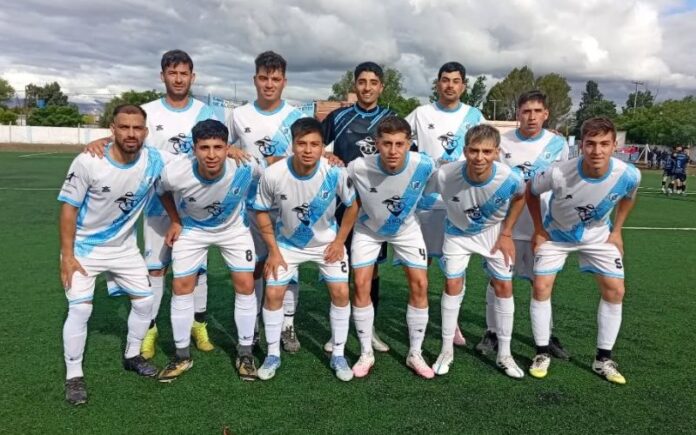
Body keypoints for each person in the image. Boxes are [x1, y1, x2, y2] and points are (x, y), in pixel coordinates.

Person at [85, 49, 219, 358]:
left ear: (193, 77)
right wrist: (99, 141)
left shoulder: (208, 113)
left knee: (197, 271)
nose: (178, 79)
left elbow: (222, 146)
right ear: (162, 76)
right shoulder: (148, 112)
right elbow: (126, 138)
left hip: (195, 205)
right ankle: (151, 330)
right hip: (158, 206)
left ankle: (198, 324)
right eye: (172, 73)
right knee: (156, 269)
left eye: (184, 73)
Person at [58, 105, 164, 405]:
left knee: (145, 302)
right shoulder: (88, 161)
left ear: (145, 131)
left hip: (124, 249)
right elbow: (68, 210)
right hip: (85, 249)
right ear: (112, 129)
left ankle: (132, 355)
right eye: (124, 127)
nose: (131, 133)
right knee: (80, 310)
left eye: (137, 128)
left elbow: (194, 159)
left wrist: (231, 150)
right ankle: (74, 375)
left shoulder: (154, 160)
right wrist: (67, 256)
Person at [527, 117, 640, 384]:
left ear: (614, 145)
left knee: (616, 290)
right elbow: (531, 191)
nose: (597, 150)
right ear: (581, 145)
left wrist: (617, 230)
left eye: (604, 144)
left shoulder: (629, 174)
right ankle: (542, 353)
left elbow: (629, 196)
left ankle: (603, 359)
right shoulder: (558, 172)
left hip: (599, 236)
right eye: (590, 143)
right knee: (541, 287)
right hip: (556, 235)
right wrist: (539, 229)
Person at [154, 120, 262, 382]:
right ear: (194, 149)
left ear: (228, 147)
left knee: (246, 284)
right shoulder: (176, 172)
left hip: (234, 230)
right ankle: (182, 355)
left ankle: (245, 353)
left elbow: (271, 174)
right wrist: (175, 220)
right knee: (181, 287)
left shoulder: (246, 165)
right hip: (193, 230)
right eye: (204, 148)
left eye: (218, 147)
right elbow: (161, 191)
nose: (211, 154)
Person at [252, 118, 357, 381]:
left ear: (323, 147)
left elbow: (353, 205)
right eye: (302, 143)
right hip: (287, 245)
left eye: (315, 144)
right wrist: (273, 251)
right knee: (273, 293)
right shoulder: (273, 174)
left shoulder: (335, 172)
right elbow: (260, 210)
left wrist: (339, 241)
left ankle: (338, 354)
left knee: (341, 292)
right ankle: (272, 354)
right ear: (292, 144)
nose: (308, 150)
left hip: (326, 244)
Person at [476, 90, 571, 360]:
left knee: (542, 283)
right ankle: (492, 332)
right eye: (526, 111)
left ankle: (546, 336)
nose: (531, 117)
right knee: (498, 280)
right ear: (518, 113)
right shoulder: (502, 142)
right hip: (505, 226)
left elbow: (561, 185)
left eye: (537, 111)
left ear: (546, 114)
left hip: (543, 227)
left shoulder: (558, 144)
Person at [226, 51, 308, 353]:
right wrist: (229, 150)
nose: (269, 84)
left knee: (289, 267)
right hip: (250, 206)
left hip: (289, 206)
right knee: (257, 265)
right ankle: (258, 323)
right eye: (264, 78)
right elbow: (220, 145)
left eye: (275, 79)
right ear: (255, 80)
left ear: (284, 81)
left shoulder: (297, 118)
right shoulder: (239, 115)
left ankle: (288, 324)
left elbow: (308, 156)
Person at [432, 124, 526, 378]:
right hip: (457, 233)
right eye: (474, 151)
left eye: (486, 151)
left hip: (493, 233)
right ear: (465, 151)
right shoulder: (445, 174)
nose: (479, 157)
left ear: (497, 152)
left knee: (504, 286)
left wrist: (507, 233)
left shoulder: (510, 178)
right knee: (452, 283)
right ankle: (446, 351)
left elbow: (521, 196)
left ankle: (505, 354)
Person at [347, 116, 437, 379]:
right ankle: (366, 352)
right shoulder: (358, 167)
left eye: (399, 144)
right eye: (387, 144)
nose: (393, 150)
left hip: (406, 229)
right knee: (360, 283)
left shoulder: (425, 165)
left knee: (420, 284)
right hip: (368, 229)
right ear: (376, 143)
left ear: (409, 144)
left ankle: (415, 353)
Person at [405, 61, 486, 347]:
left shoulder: (475, 115)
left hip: (460, 204)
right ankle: (420, 317)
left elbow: (488, 150)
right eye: (445, 80)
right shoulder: (421, 113)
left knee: (455, 269)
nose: (450, 85)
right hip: (426, 202)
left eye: (455, 81)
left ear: (463, 85)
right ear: (437, 83)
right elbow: (397, 138)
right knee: (420, 266)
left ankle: (453, 324)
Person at [321, 61, 395, 354]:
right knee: (339, 266)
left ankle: (369, 327)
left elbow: (405, 155)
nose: (367, 87)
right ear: (355, 85)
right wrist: (327, 156)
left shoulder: (391, 118)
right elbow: (312, 144)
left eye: (373, 82)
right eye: (362, 82)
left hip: (375, 208)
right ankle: (337, 330)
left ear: (381, 87)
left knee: (370, 269)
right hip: (342, 205)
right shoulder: (339, 117)